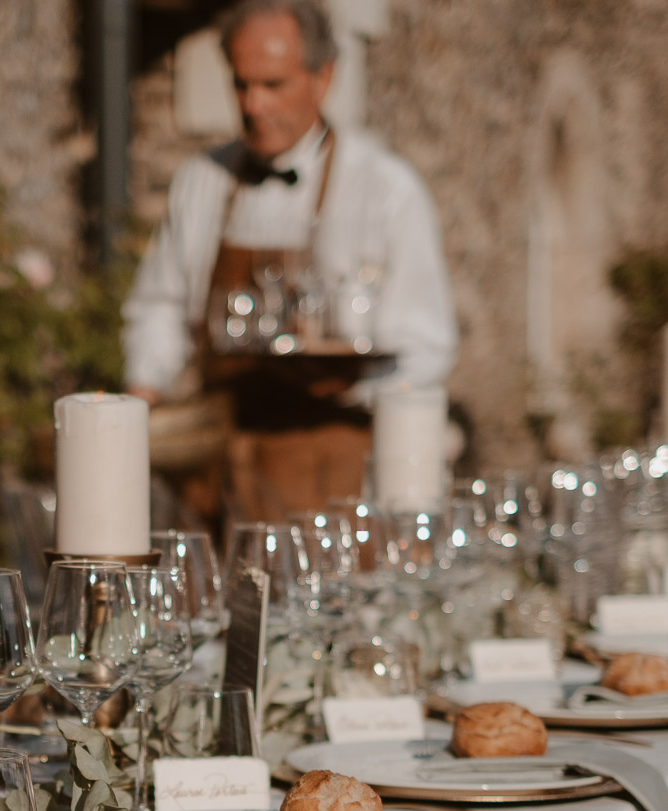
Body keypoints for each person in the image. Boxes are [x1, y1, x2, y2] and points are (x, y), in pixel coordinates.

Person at [123, 0, 455, 521]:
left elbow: (426, 349)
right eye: (241, 84)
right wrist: (140, 397)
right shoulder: (202, 182)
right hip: (221, 463)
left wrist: (350, 382)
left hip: (331, 470)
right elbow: (160, 306)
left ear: (323, 79)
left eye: (273, 85)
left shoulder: (386, 190)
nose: (253, 104)